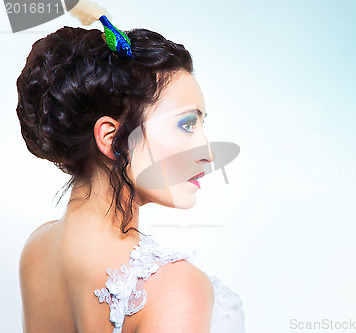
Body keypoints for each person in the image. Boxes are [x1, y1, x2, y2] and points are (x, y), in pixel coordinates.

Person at [16, 22, 245, 333]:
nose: (208, 153)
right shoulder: (174, 289)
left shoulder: (38, 248)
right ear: (111, 138)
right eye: (187, 125)